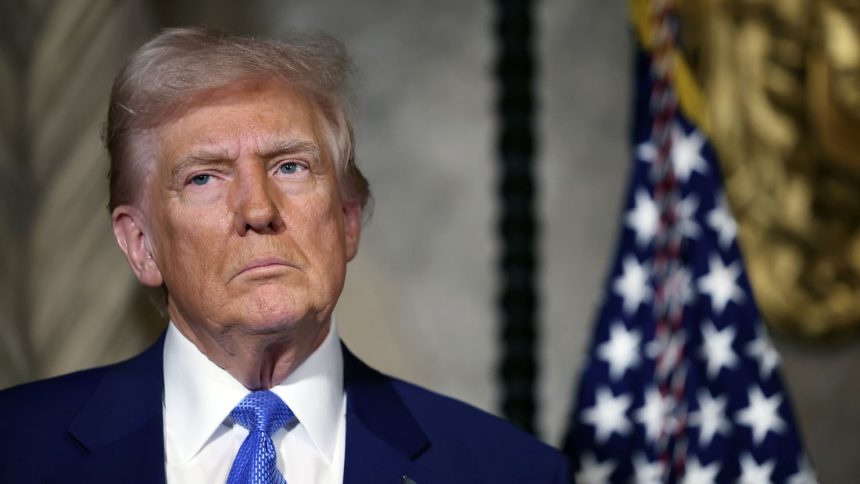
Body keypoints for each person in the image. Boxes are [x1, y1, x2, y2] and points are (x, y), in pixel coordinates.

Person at [0, 27, 568, 483]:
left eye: (289, 167)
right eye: (203, 178)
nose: (257, 209)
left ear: (347, 221)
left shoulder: (508, 471)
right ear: (142, 246)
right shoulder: (15, 449)